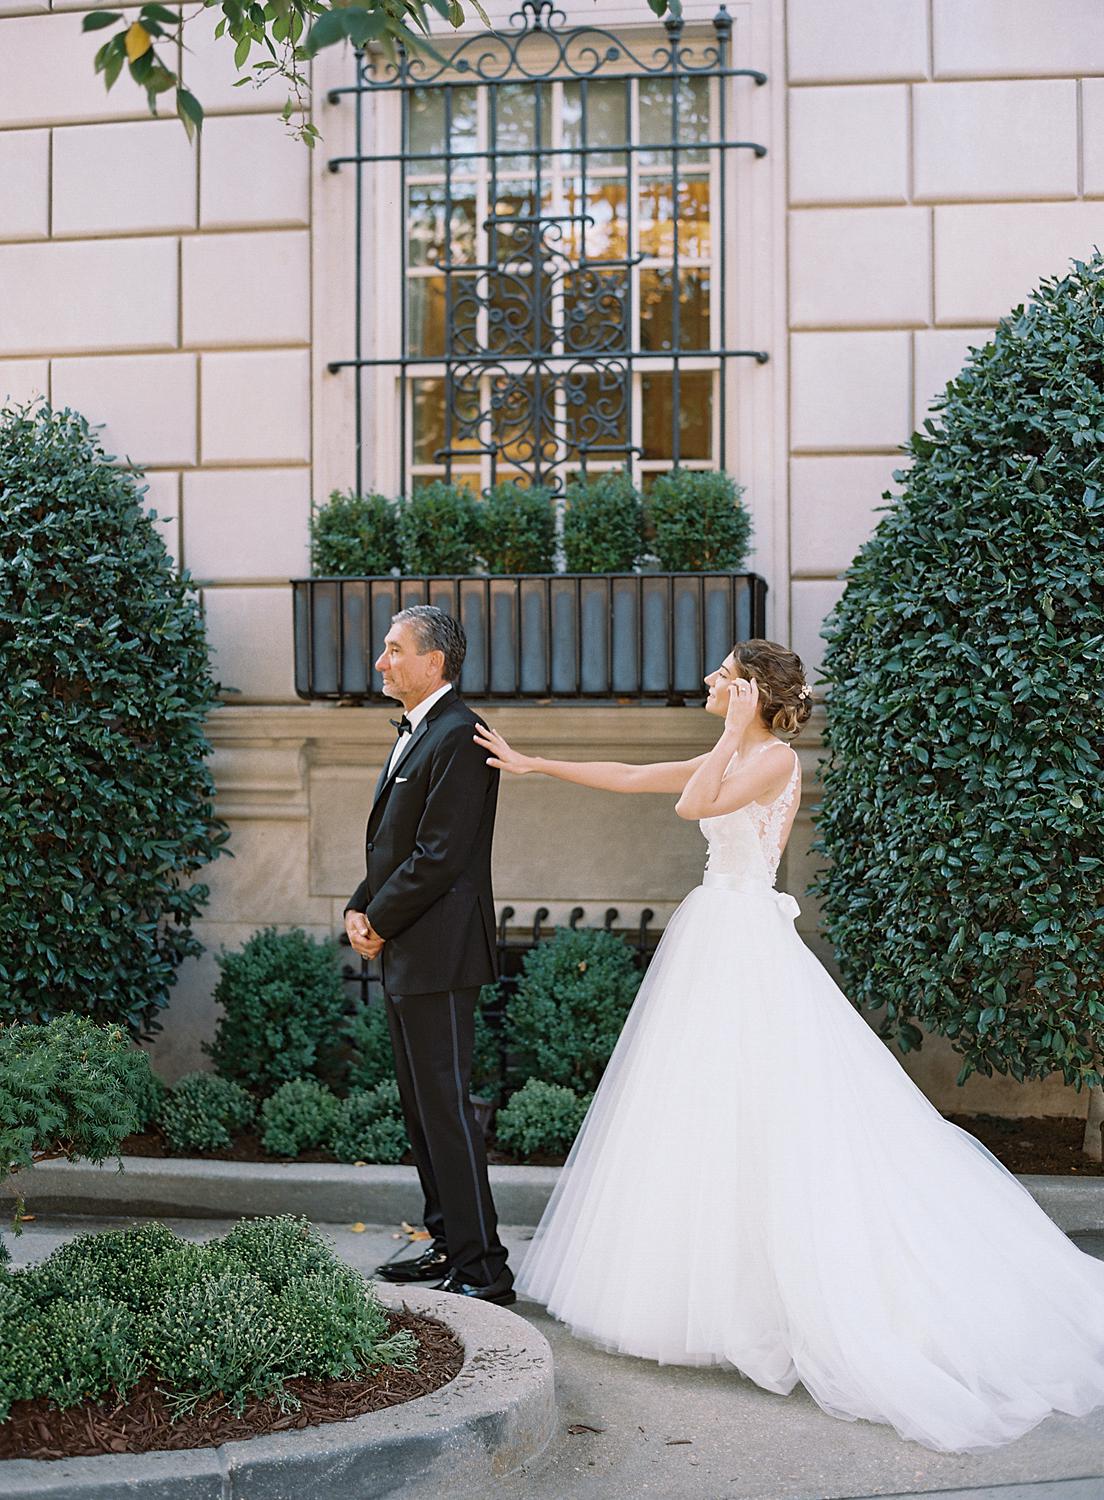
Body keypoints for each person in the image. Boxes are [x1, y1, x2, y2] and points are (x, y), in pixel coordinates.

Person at [472, 638, 1104, 1451]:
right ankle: (724, 1298)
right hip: (717, 936)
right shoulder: (738, 752)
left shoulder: (767, 762)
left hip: (743, 942)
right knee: (710, 1119)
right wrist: (533, 763)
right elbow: (637, 780)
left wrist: (734, 733)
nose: (706, 682)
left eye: (723, 677)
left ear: (753, 693)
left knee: (770, 1116)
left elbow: (690, 807)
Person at [345, 604, 514, 1305]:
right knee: (422, 1110)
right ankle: (448, 1243)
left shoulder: (461, 736)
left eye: (393, 649)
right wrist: (360, 905)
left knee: (447, 1110)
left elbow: (439, 855)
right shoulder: (421, 730)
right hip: (409, 949)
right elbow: (393, 843)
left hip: (441, 955)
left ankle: (484, 1271)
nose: (381, 661)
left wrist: (378, 919)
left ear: (433, 662)